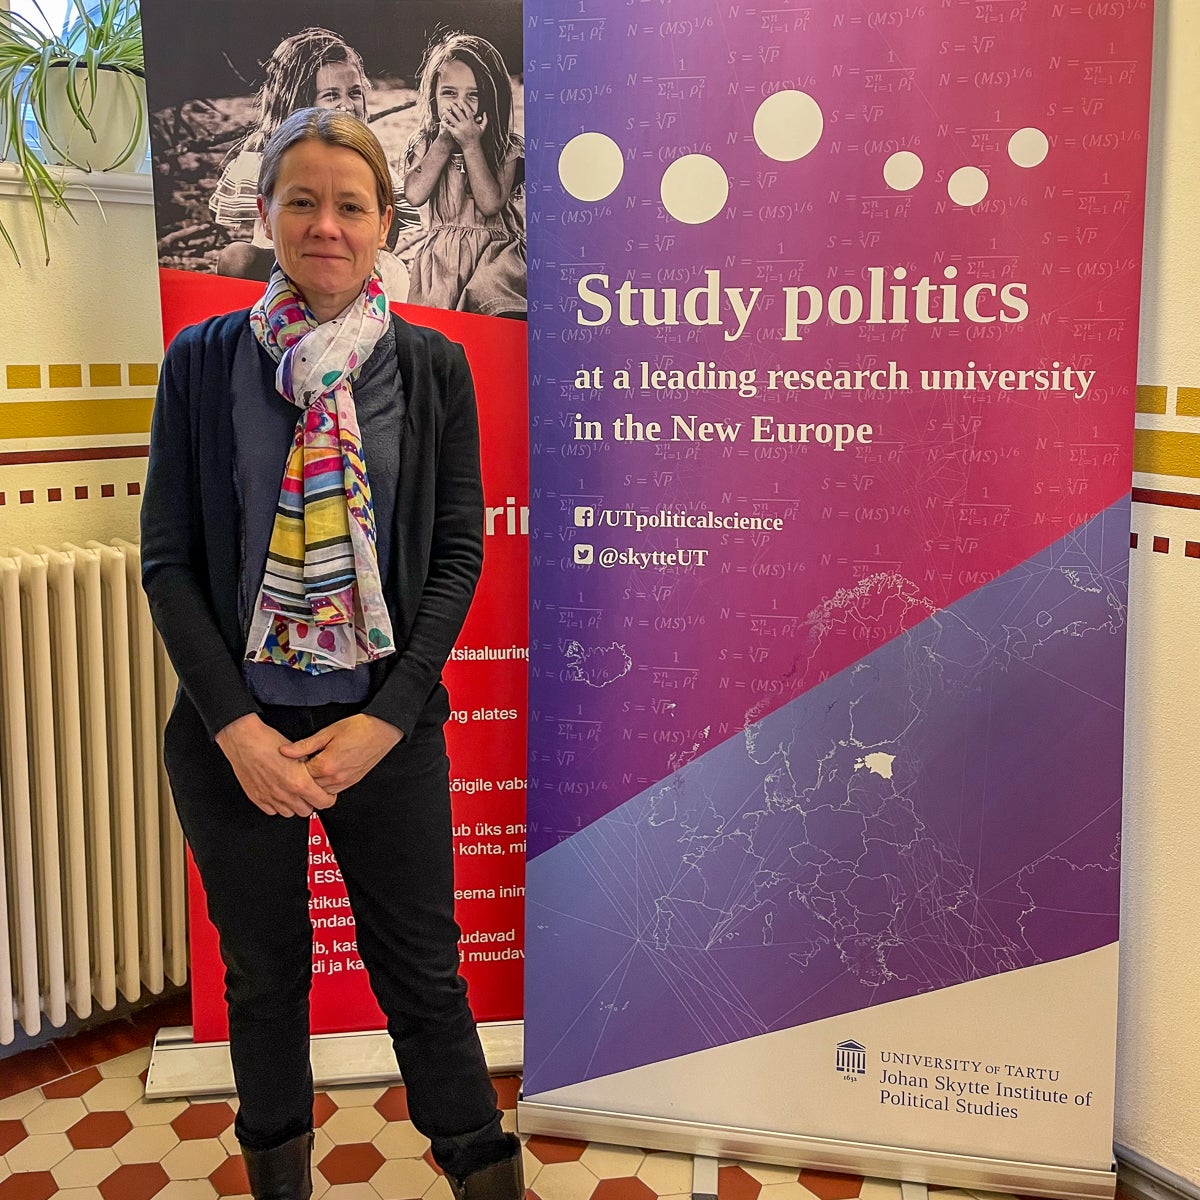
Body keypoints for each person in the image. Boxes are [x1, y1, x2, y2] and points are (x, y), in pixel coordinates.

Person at [141, 107, 522, 1200]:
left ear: (384, 221)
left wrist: (386, 721)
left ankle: (482, 1173)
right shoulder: (203, 362)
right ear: (265, 212)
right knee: (264, 984)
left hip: (382, 735)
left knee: (425, 982)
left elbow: (457, 555)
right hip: (236, 741)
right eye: (301, 200)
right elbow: (168, 559)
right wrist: (237, 731)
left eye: (350, 204)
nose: (325, 225)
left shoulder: (433, 367)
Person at [211, 27, 416, 292]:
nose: (346, 105)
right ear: (300, 100)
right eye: (331, 95)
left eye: (354, 93)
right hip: (285, 265)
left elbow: (388, 235)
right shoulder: (268, 154)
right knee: (236, 257)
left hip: (348, 264)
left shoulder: (366, 157)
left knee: (386, 270)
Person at [402, 31, 525, 317]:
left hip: (493, 256)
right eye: (449, 93)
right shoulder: (426, 143)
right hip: (443, 259)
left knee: (490, 301)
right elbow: (414, 194)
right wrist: (443, 143)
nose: (460, 105)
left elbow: (490, 203)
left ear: (492, 99)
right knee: (440, 327)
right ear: (434, 97)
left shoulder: (505, 147)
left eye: (473, 95)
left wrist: (471, 144)